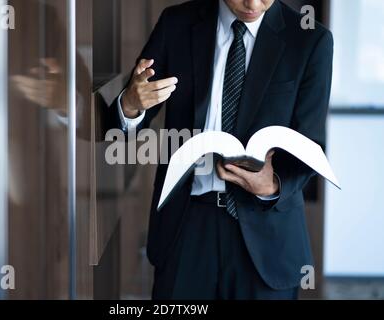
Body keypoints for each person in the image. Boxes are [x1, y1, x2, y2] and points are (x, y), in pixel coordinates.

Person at [109, 0, 333, 299]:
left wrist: (273, 184)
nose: (252, 4)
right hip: (186, 226)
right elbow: (127, 114)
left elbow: (311, 144)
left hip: (267, 233)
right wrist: (131, 104)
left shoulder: (310, 40)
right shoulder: (176, 23)